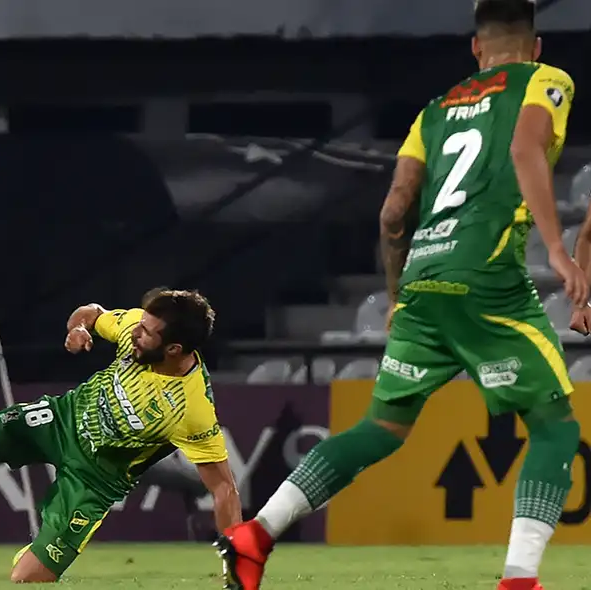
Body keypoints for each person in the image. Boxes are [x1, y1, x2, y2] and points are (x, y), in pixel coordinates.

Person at [217, 2, 582, 590]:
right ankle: (519, 579)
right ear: (536, 47)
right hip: (487, 277)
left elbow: (393, 212)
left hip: (422, 281)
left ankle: (255, 535)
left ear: (475, 48)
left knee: (381, 428)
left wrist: (395, 296)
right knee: (554, 426)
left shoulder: (433, 112)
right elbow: (524, 149)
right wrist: (558, 251)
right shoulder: (544, 80)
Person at [0, 289, 241, 582]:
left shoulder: (192, 409)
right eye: (140, 324)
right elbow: (90, 312)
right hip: (60, 419)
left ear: (173, 348)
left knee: (27, 577)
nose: (136, 332)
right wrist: (78, 329)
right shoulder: (134, 326)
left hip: (95, 479)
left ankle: (40, 549)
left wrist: (236, 562)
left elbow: (223, 488)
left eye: (146, 332)